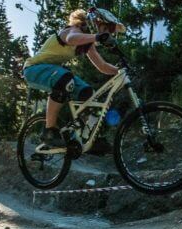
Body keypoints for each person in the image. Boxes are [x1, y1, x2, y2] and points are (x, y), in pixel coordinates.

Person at [22, 8, 125, 148]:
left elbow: (102, 66)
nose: (106, 33)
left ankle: (83, 138)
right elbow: (71, 39)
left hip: (53, 72)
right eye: (105, 28)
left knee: (88, 94)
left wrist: (121, 71)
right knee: (65, 79)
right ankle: (49, 131)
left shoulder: (87, 43)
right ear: (95, 22)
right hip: (33, 69)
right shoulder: (74, 30)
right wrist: (96, 37)